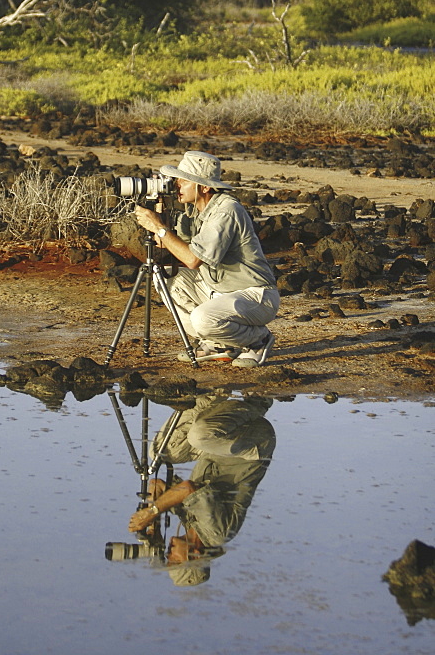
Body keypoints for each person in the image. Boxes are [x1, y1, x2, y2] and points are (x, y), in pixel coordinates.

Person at [133, 150, 279, 366]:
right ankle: (218, 343)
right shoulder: (195, 211)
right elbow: (169, 243)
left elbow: (192, 260)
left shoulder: (226, 211)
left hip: (255, 295)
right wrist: (160, 211)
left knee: (202, 319)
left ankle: (258, 340)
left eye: (183, 181)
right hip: (218, 290)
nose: (177, 185)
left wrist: (159, 227)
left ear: (205, 186)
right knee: (163, 278)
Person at [127, 394, 276, 586]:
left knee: (159, 453)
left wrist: (154, 522)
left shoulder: (189, 522)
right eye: (174, 559)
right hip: (254, 445)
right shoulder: (216, 533)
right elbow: (187, 489)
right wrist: (153, 511)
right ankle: (257, 402)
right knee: (199, 436)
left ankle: (212, 393)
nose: (168, 553)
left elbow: (157, 484)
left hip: (222, 447)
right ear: (195, 556)